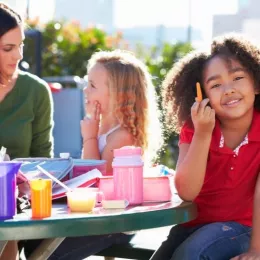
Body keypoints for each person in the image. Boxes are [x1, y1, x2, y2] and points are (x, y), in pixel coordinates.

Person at [44, 49, 163, 259]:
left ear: (118, 95)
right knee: (36, 241)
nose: (85, 91)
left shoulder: (123, 136)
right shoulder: (103, 129)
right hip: (98, 216)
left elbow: (93, 179)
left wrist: (89, 137)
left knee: (53, 253)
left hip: (116, 223)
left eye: (92, 86)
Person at [150, 34, 260, 260]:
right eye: (216, 84)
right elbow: (187, 191)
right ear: (202, 95)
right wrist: (202, 133)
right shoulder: (194, 128)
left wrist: (257, 249)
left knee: (191, 254)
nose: (228, 89)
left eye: (237, 78)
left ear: (256, 84)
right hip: (190, 227)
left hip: (244, 230)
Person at [0, 3, 54, 260]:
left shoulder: (36, 92)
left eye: (21, 45)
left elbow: (43, 162)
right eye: (8, 48)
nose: (18, 55)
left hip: (16, 208)